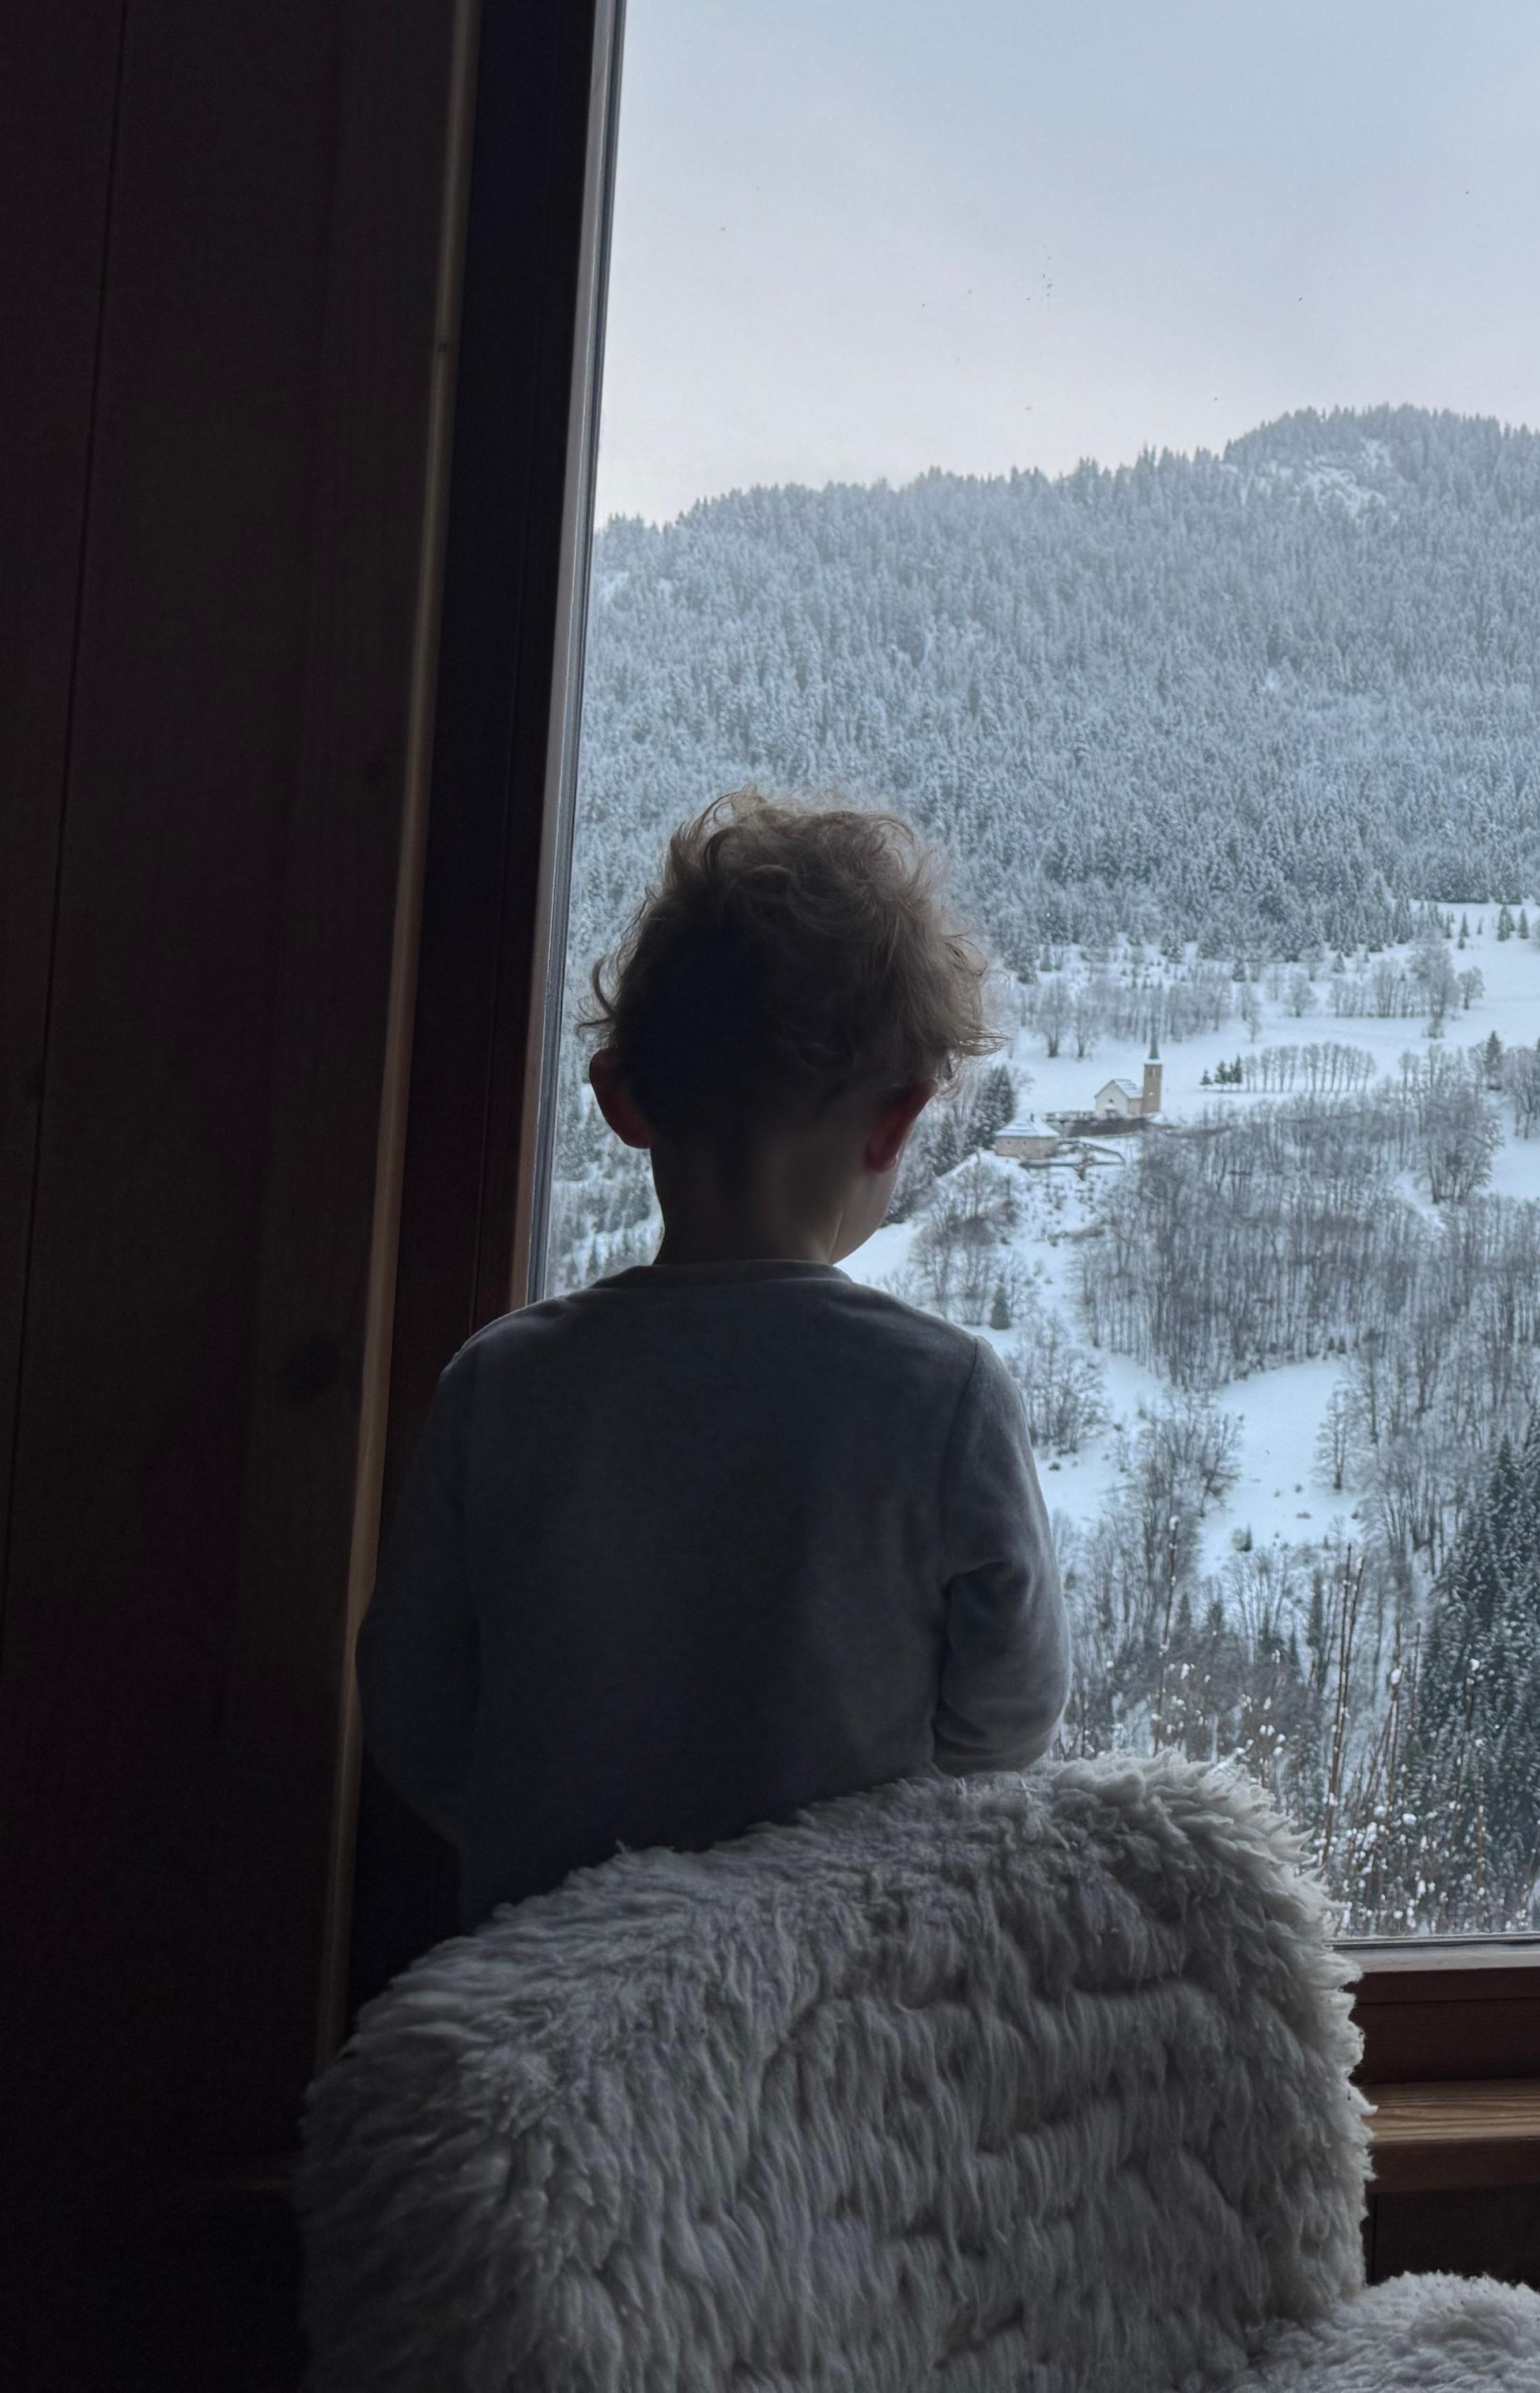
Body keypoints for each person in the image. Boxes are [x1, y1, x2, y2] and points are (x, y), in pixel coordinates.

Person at [361, 790, 1067, 1927]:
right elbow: (1009, 1722)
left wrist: (546, 1854)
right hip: (832, 1988)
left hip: (549, 1990)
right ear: (895, 1124)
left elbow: (413, 1712)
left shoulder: (499, 1383)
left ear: (622, 1101)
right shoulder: (943, 1398)